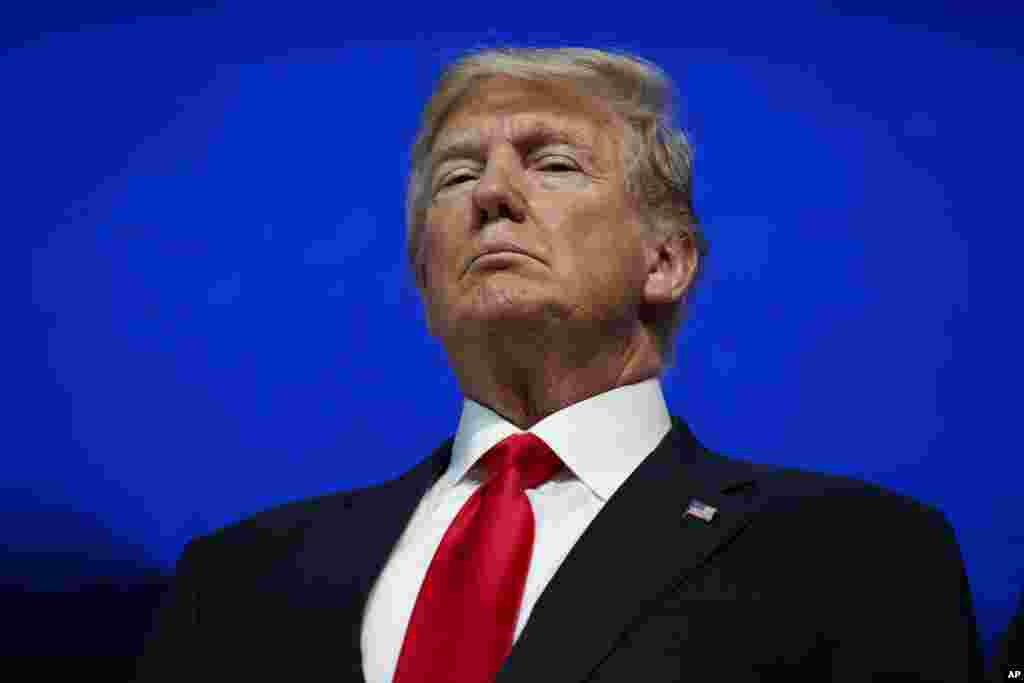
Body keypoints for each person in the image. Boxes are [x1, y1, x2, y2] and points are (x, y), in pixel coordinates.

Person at [136, 46, 984, 682]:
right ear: (422, 272)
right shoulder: (240, 578)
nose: (491, 193)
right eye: (456, 175)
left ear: (667, 261)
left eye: (552, 164)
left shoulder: (852, 555)